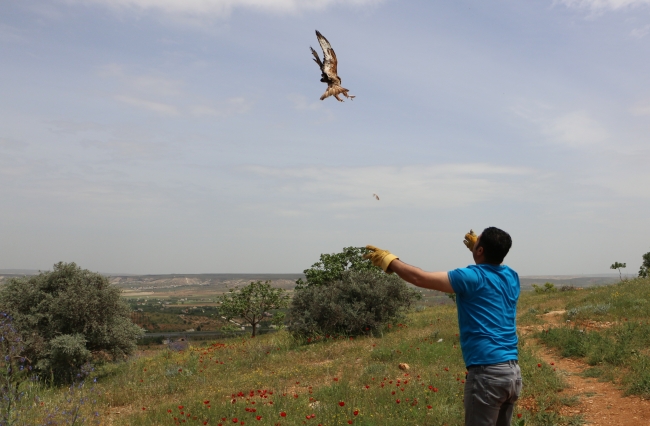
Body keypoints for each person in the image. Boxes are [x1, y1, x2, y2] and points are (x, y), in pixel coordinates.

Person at [364, 227, 521, 426]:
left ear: (480, 250)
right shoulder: (511, 276)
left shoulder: (472, 277)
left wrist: (389, 260)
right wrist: (482, 249)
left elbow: (419, 278)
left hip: (487, 374)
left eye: (478, 241)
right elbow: (497, 262)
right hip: (512, 374)